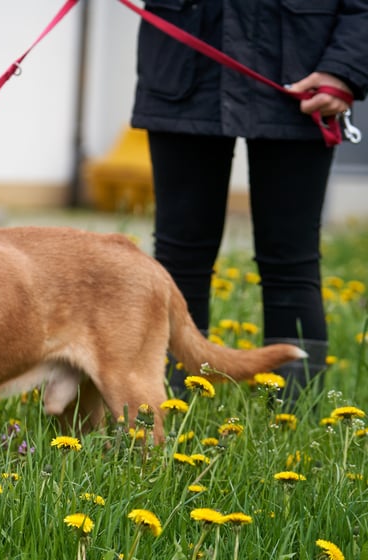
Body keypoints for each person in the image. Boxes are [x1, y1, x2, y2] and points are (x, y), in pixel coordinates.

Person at [130, 1, 368, 401]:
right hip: (182, 73)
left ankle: (294, 420)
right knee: (178, 258)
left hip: (303, 74)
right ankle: (169, 409)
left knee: (291, 260)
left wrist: (345, 69)